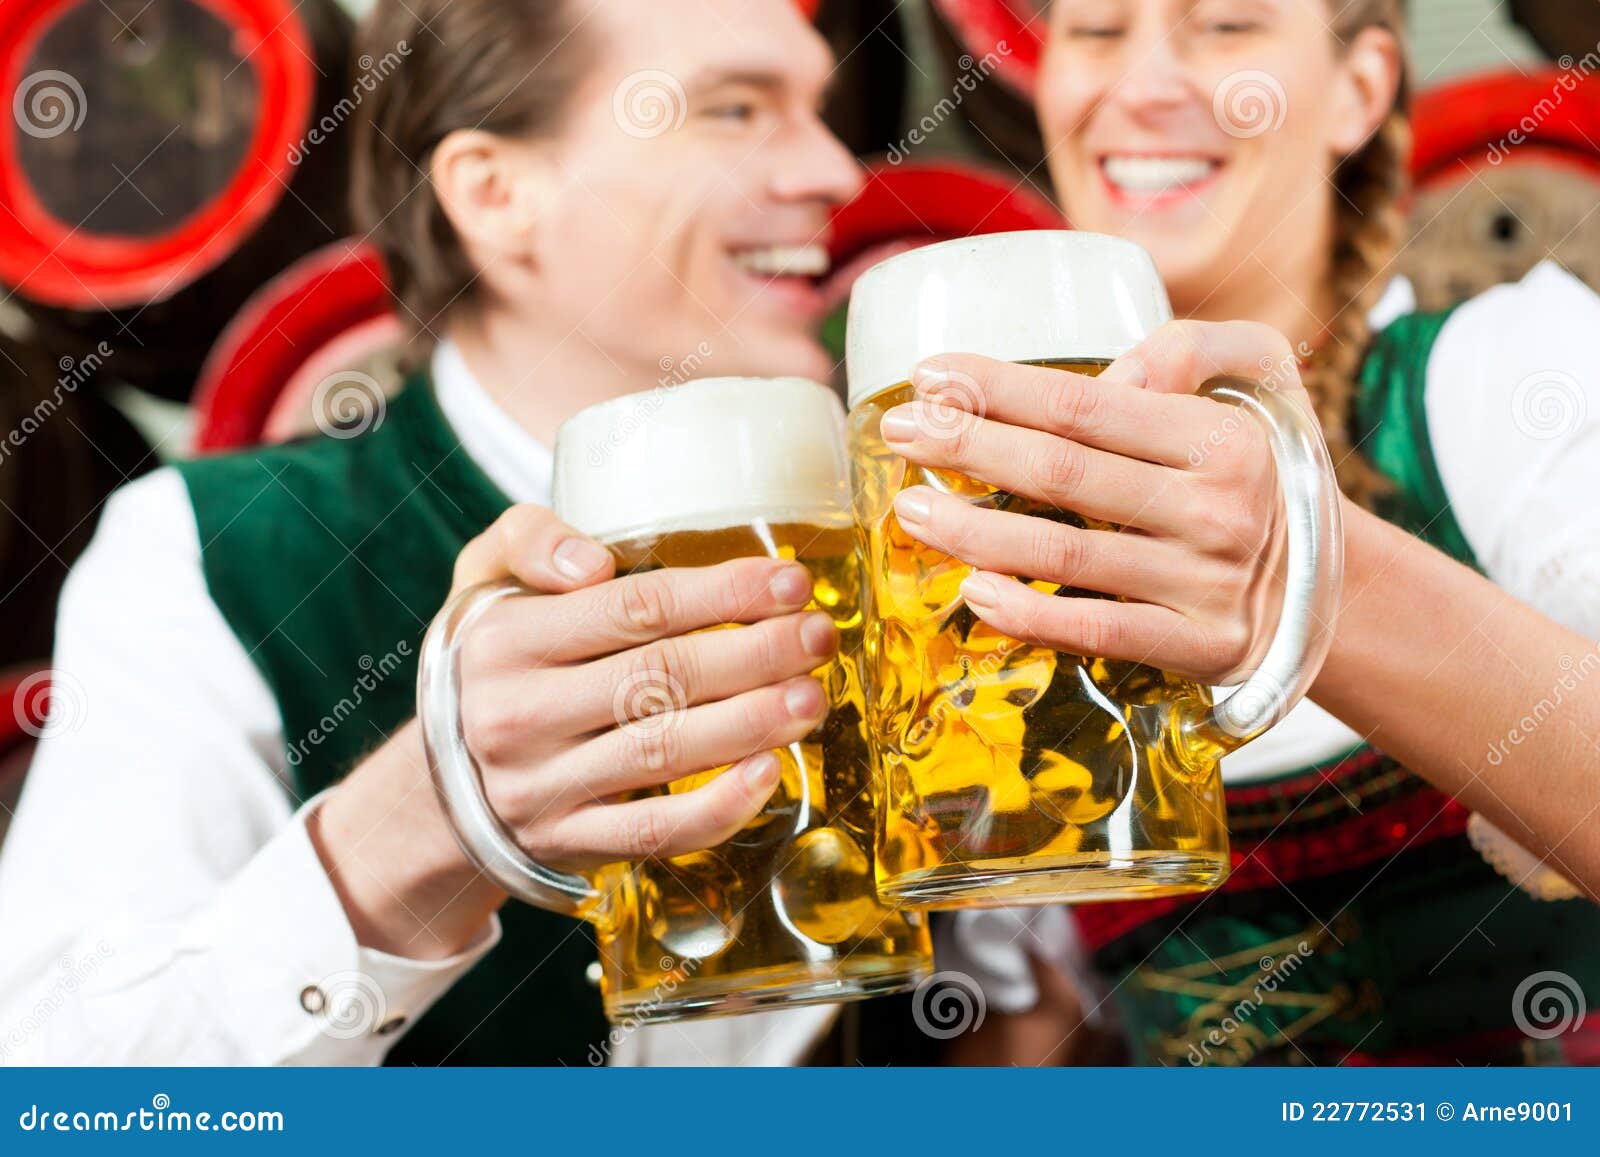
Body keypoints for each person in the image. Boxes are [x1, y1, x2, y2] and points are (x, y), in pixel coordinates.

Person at [0, 0, 926, 1066]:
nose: (836, 172)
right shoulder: (214, 549)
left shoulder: (897, 532)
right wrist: (434, 816)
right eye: (737, 110)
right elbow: (63, 1094)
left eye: (816, 108)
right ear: (496, 194)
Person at [899, 0, 1600, 1065]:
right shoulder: (990, 522)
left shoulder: (1508, 377)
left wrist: (1302, 573)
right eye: (1093, 31)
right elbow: (1031, 1050)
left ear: (1360, 88)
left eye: (1225, 24)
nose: (1142, 85)